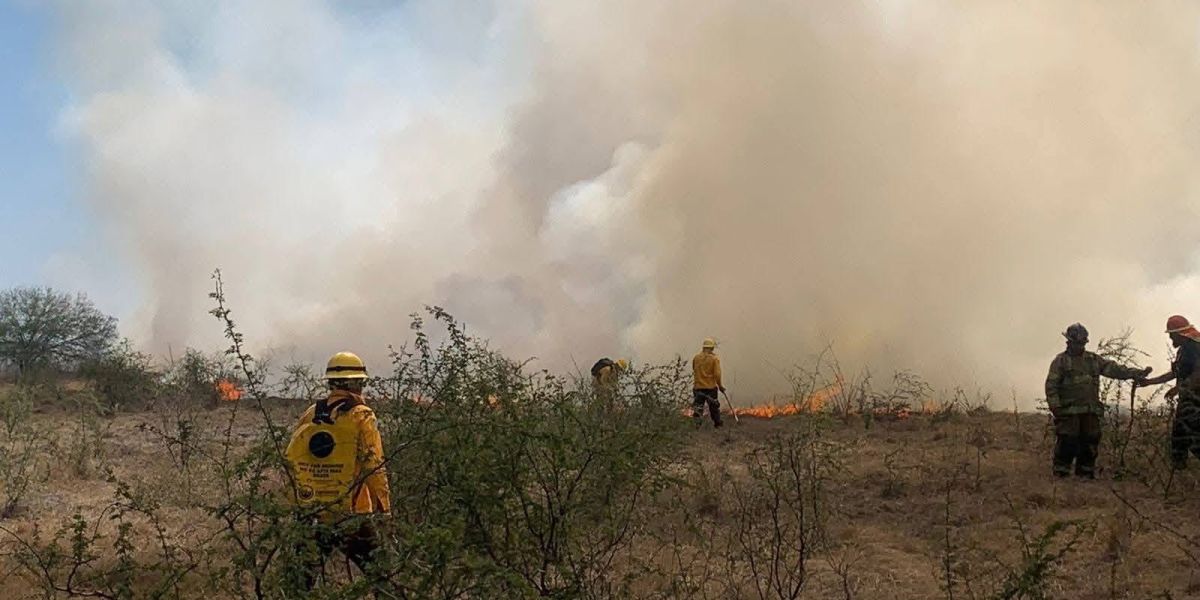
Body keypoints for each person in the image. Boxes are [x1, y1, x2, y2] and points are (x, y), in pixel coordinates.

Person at [286, 351, 393, 594]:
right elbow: (374, 465)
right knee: (383, 579)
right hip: (352, 515)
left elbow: (294, 457)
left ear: (332, 383)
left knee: (298, 584)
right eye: (361, 382)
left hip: (314, 512)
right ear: (355, 383)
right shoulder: (362, 415)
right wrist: (384, 510)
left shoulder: (312, 413)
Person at [1045, 323, 1150, 479]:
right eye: (1077, 343)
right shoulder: (1060, 361)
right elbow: (1051, 386)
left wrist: (1136, 373)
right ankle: (1061, 474)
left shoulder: (1093, 360)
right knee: (1067, 441)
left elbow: (1114, 369)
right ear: (1069, 342)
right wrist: (1056, 408)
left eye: (1082, 343)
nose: (1079, 346)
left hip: (1090, 411)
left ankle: (1085, 475)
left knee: (1090, 442)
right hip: (1068, 412)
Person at [1138, 315, 1200, 469]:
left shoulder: (1194, 347)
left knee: (1190, 434)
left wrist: (1179, 388)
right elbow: (1175, 373)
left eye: (1172, 336)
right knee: (1180, 435)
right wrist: (1149, 382)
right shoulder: (1184, 349)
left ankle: (1179, 470)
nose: (1171, 340)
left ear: (1180, 334)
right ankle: (1178, 471)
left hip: (1195, 400)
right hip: (1188, 399)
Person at [692, 338, 725, 428]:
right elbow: (717, 374)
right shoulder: (714, 359)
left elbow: (694, 369)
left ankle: (696, 425)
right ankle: (717, 424)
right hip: (710, 388)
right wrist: (720, 386)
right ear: (712, 348)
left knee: (698, 407)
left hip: (698, 387)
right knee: (714, 407)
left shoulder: (696, 358)